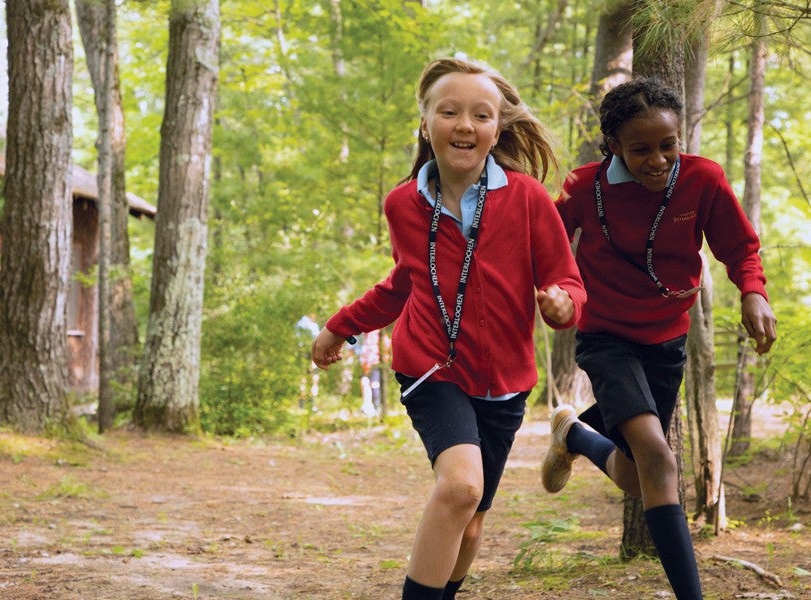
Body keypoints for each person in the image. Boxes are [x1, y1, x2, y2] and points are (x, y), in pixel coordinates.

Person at [312, 56, 587, 600]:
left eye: (481, 115)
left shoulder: (529, 198)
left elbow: (566, 278)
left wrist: (563, 305)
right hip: (430, 365)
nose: (465, 124)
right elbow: (401, 284)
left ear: (497, 129)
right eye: (450, 111)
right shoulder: (402, 203)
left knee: (473, 519)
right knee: (461, 487)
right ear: (426, 122)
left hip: (506, 378)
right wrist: (339, 327)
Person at [542, 77, 777, 600]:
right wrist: (547, 290)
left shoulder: (704, 181)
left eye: (667, 145)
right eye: (640, 149)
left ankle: (574, 435)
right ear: (614, 147)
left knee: (635, 475)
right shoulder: (584, 188)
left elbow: (741, 248)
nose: (657, 160)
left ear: (681, 137)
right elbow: (540, 245)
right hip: (606, 336)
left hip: (667, 340)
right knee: (660, 459)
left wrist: (752, 293)